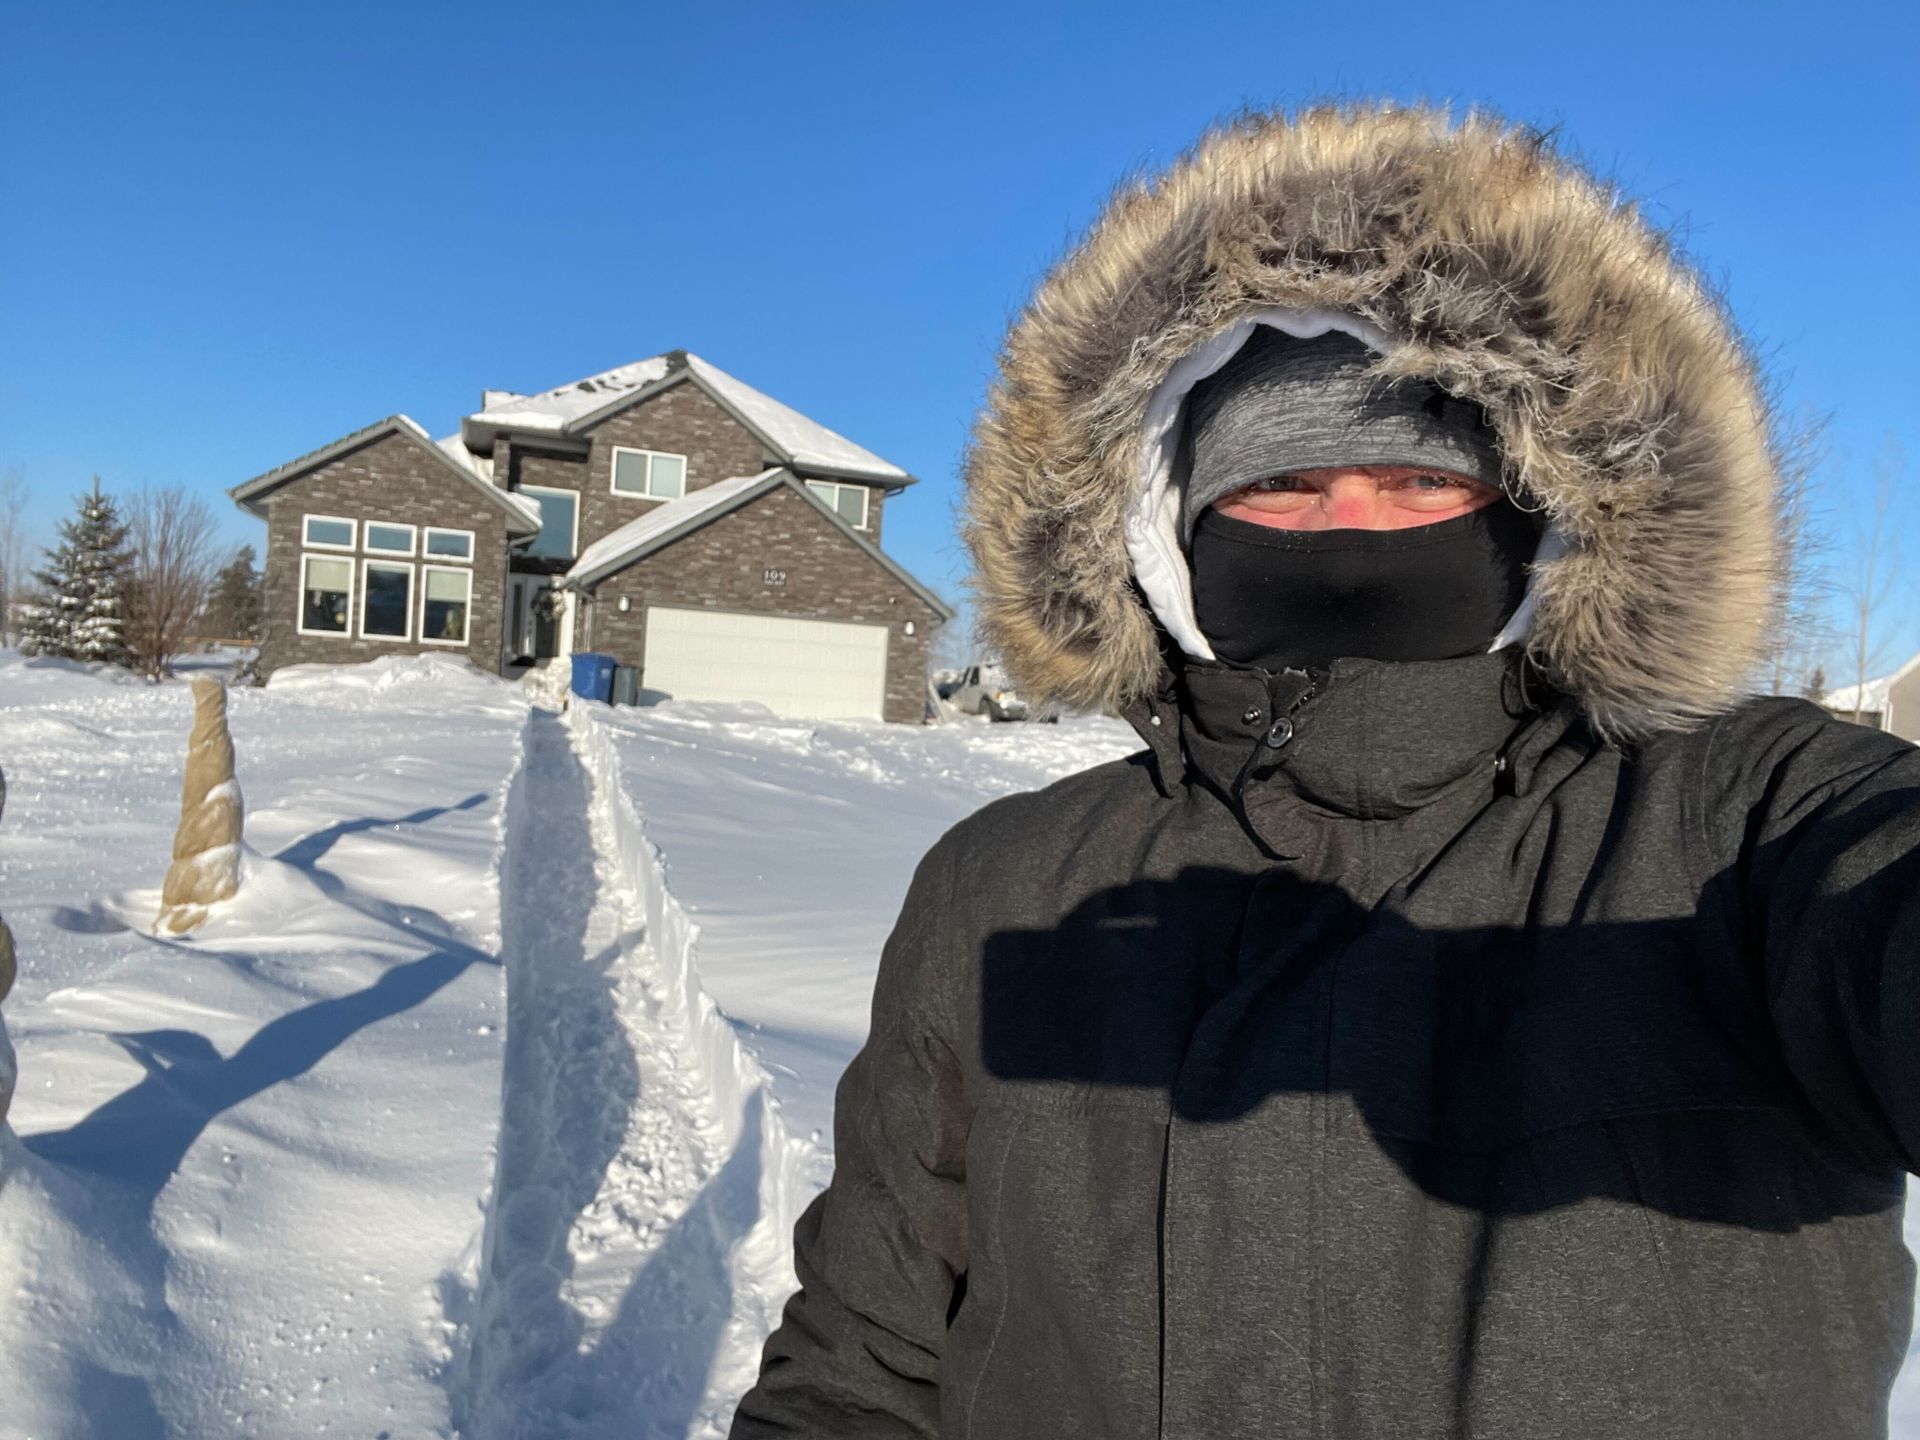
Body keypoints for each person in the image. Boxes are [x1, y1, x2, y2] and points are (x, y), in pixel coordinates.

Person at [730, 105, 1920, 1439]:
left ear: (1537, 515)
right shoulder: (1005, 889)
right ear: (1166, 533)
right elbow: (863, 1365)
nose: (1353, 531)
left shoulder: (1740, 818)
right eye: (1286, 487)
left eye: (1420, 487)